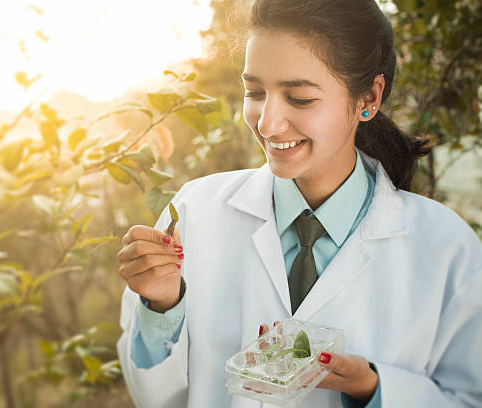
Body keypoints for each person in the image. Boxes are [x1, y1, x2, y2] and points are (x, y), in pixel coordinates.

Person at [116, 0, 482, 407]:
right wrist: (162, 307)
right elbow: (152, 393)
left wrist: (373, 389)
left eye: (300, 98)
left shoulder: (446, 249)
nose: (268, 123)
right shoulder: (195, 214)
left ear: (369, 97)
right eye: (255, 92)